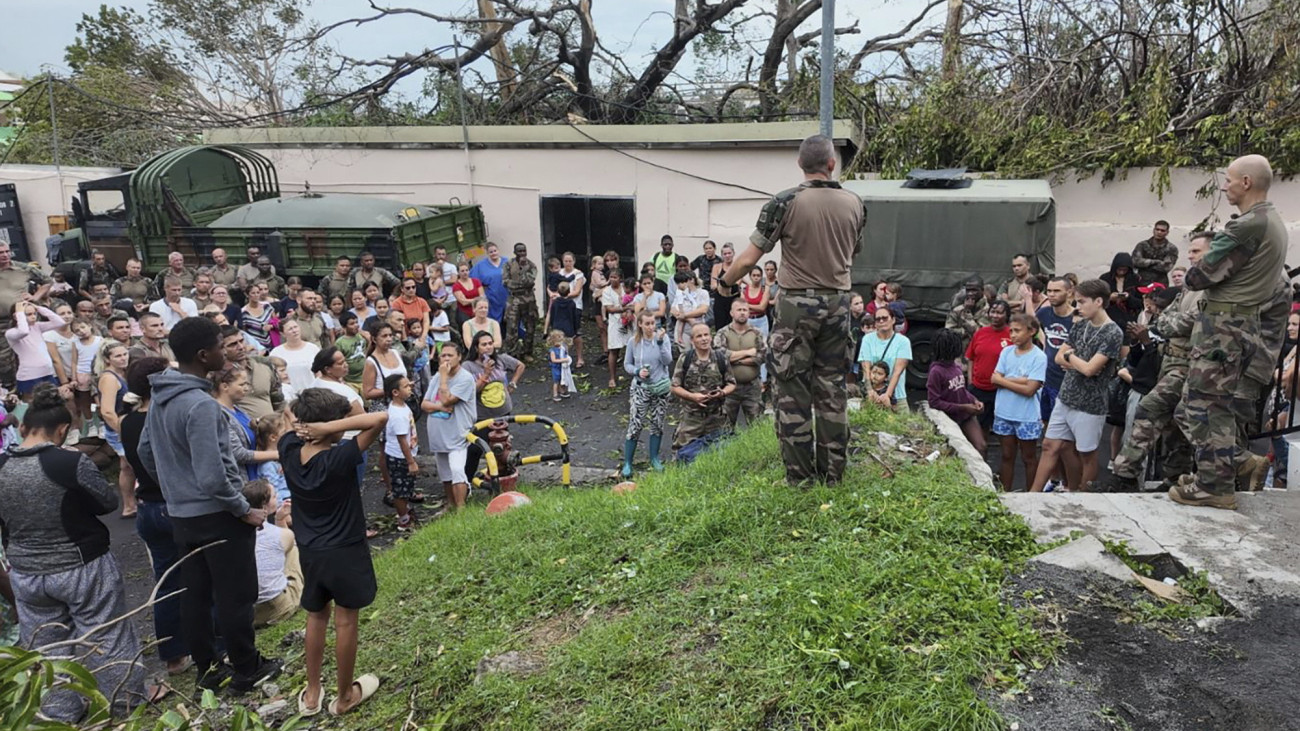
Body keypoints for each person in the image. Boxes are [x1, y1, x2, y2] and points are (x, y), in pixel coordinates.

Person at [138, 317, 282, 694]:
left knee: (196, 595)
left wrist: (174, 487)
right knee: (236, 595)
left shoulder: (160, 398)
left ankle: (209, 669)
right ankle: (247, 668)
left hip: (182, 516)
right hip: (217, 516)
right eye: (221, 345)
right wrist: (242, 509)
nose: (227, 350)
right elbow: (214, 475)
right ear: (204, 356)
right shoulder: (201, 405)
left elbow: (145, 452)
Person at [721, 135, 863, 485]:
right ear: (832, 164)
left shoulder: (784, 201)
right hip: (839, 302)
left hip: (796, 305)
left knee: (792, 390)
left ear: (800, 164)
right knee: (832, 389)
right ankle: (833, 474)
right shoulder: (855, 202)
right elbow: (853, 253)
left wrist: (725, 282)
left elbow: (750, 259)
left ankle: (800, 478)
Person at [0, 384, 147, 722]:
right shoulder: (69, 462)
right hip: (80, 563)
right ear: (64, 430)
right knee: (107, 633)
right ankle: (125, 705)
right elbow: (107, 502)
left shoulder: (1, 465)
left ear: (22, 427)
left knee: (45, 645)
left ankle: (59, 715)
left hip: (26, 570)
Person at [1171, 155, 1289, 510]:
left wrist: (1199, 266)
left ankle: (1215, 486)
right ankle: (1220, 474)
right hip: (1238, 324)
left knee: (1207, 406)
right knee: (1205, 404)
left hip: (1223, 326)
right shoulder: (1273, 221)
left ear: (1247, 183)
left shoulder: (1247, 226)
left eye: (1230, 180)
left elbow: (1199, 276)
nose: (1225, 186)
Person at [280, 389, 385, 716]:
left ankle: (312, 695)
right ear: (328, 425)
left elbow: (286, 410)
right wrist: (328, 427)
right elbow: (379, 418)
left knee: (316, 614)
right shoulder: (339, 457)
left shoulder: (288, 448)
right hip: (345, 549)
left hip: (310, 549)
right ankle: (343, 698)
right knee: (345, 620)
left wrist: (313, 425)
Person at [120, 356, 191, 675]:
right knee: (202, 573)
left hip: (147, 505)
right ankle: (215, 644)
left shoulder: (128, 421)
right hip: (174, 503)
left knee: (166, 582)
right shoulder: (166, 417)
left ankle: (174, 656)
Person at [1028, 280, 1123, 492]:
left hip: (1090, 404)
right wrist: (1075, 360)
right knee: (1049, 446)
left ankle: (1083, 495)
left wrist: (1072, 358)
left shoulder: (1112, 332)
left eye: (1081, 301)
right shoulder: (1080, 325)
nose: (1077, 306)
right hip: (1066, 396)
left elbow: (1090, 369)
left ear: (1098, 301)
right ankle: (1033, 495)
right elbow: (1059, 358)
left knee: (1086, 454)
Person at [990, 313, 1046, 491]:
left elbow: (1030, 390)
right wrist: (1021, 380)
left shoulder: (1038, 357)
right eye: (1011, 331)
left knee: (1029, 457)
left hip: (1026, 415)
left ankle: (1031, 494)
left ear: (1032, 331)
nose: (1012, 335)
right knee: (1007, 455)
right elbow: (994, 377)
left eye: (1017, 331)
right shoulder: (1006, 352)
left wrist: (1004, 381)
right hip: (1004, 412)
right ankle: (1005, 492)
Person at [670, 323, 737, 460]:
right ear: (692, 340)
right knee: (681, 454)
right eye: (699, 336)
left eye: (706, 335)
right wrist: (692, 397)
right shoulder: (685, 359)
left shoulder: (720, 358)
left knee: (722, 453)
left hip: (716, 418)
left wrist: (722, 393)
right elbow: (674, 386)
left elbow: (731, 383)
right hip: (691, 418)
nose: (704, 339)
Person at [242, 479, 302, 628]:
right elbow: (286, 543)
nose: (278, 498)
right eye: (275, 497)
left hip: (249, 611)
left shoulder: (235, 535)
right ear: (264, 506)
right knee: (293, 549)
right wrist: (280, 519)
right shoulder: (279, 534)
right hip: (278, 607)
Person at [622, 311, 674, 476]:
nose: (651, 326)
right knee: (636, 424)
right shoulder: (633, 342)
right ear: (640, 324)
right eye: (648, 323)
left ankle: (654, 458)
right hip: (641, 388)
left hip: (659, 388)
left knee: (657, 424)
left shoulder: (663, 339)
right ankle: (628, 463)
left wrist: (659, 343)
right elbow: (627, 364)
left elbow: (668, 361)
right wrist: (637, 371)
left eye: (653, 323)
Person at [212, 363, 278, 482]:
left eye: (247, 384)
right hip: (240, 480)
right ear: (225, 386)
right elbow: (238, 453)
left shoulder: (238, 410)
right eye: (242, 384)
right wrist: (278, 454)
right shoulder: (219, 414)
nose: (246, 389)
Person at [927, 328, 986, 453]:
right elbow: (934, 402)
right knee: (955, 452)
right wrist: (963, 407)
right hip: (949, 417)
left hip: (966, 414)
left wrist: (975, 400)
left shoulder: (955, 366)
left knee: (981, 446)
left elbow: (961, 390)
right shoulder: (936, 371)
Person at [97, 341, 138, 518]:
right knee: (134, 464)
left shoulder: (123, 374)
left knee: (127, 467)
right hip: (118, 430)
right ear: (108, 359)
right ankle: (132, 504)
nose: (123, 358)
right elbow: (106, 410)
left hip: (127, 426)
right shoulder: (109, 379)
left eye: (124, 354)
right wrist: (121, 432)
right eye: (118, 356)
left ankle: (130, 506)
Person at [714, 299, 765, 427]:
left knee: (757, 427)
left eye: (745, 310)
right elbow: (720, 356)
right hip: (729, 388)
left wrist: (735, 359)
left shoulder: (756, 333)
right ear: (732, 313)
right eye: (739, 310)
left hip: (752, 388)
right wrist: (748, 352)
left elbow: (762, 356)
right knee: (725, 428)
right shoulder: (723, 333)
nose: (742, 313)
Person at [964, 301, 1012, 435]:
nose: (995, 316)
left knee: (1003, 432)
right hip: (978, 390)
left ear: (1007, 315)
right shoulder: (981, 333)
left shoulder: (1012, 335)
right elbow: (971, 358)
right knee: (978, 430)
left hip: (1001, 391)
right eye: (993, 312)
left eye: (1000, 313)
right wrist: (970, 381)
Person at [222, 325, 285, 421]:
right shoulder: (219, 376)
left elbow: (279, 401)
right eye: (233, 344)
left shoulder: (264, 365)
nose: (241, 347)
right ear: (222, 349)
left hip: (272, 428)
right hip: (242, 431)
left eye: (242, 341)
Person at [856, 302, 911, 411]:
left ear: (893, 320)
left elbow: (897, 371)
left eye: (885, 318)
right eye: (878, 319)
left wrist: (887, 395)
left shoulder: (903, 341)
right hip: (871, 397)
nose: (881, 321)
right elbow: (866, 367)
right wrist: (870, 390)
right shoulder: (867, 339)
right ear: (875, 323)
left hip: (896, 397)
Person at [501, 243, 539, 359]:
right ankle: (511, 354)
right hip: (513, 300)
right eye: (520, 251)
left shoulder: (531, 265)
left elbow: (529, 282)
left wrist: (522, 270)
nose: (522, 253)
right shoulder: (508, 264)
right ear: (515, 252)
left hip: (528, 300)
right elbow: (505, 282)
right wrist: (519, 284)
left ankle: (527, 352)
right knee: (511, 327)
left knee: (530, 327)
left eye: (524, 251)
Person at [271, 319, 322, 394]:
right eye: (290, 329)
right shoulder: (276, 353)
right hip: (289, 395)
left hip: (312, 394)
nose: (294, 331)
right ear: (283, 334)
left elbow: (320, 373)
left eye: (295, 327)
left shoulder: (313, 348)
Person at [601, 269, 631, 389]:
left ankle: (635, 375)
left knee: (632, 347)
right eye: (611, 277)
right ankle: (612, 377)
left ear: (621, 278)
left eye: (615, 277)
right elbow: (609, 308)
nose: (613, 279)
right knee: (614, 350)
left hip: (629, 322)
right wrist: (625, 308)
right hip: (615, 322)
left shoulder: (626, 288)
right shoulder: (607, 291)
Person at [556, 252, 587, 368]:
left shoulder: (578, 274)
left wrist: (563, 296)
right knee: (561, 332)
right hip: (561, 306)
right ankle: (563, 357)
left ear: (574, 261)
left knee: (576, 333)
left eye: (570, 261)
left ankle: (580, 358)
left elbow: (577, 291)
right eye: (566, 261)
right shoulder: (559, 273)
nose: (568, 263)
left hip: (574, 306)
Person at [1099, 252, 1143, 329]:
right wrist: (1109, 298)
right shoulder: (1105, 279)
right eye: (1119, 269)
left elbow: (1141, 302)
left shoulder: (1135, 279)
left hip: (1130, 319)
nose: (1122, 272)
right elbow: (1097, 299)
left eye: (1124, 270)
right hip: (1109, 318)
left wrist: (1128, 298)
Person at [470, 243, 509, 324]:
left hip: (507, 295)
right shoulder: (481, 265)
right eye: (491, 252)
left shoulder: (507, 262)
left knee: (511, 320)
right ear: (487, 253)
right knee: (495, 321)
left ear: (498, 251)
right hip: (492, 298)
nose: (493, 253)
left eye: (495, 251)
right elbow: (473, 280)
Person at [1132, 220, 1178, 285]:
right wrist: (1156, 262)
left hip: (1160, 283)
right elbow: (1135, 261)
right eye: (1157, 229)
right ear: (1153, 230)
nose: (1159, 232)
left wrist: (1145, 264)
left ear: (1167, 232)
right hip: (1141, 282)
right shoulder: (1142, 245)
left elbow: (1166, 267)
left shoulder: (1171, 248)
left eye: (1162, 230)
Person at [241, 281, 277, 352]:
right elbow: (244, 332)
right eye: (253, 293)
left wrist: (271, 326)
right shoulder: (244, 312)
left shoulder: (267, 306)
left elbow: (276, 321)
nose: (256, 295)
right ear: (247, 295)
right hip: (255, 346)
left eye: (258, 292)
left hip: (271, 342)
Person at [710, 243, 739, 330]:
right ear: (722, 255)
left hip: (733, 300)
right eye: (725, 254)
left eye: (729, 253)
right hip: (720, 301)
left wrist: (723, 284)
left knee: (734, 327)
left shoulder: (737, 266)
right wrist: (721, 285)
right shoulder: (717, 267)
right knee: (720, 327)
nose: (727, 256)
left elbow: (738, 282)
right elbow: (713, 285)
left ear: (733, 253)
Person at [452, 262, 485, 326]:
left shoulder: (476, 281)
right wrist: (477, 299)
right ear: (458, 273)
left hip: (479, 311)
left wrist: (471, 300)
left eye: (467, 270)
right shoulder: (456, 286)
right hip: (464, 314)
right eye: (462, 271)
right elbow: (463, 302)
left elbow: (483, 297)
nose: (465, 272)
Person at [548, 330, 573, 401]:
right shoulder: (552, 351)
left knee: (563, 378)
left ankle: (562, 390)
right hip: (556, 367)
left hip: (562, 367)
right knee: (556, 381)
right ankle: (555, 394)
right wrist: (563, 360)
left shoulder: (562, 348)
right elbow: (553, 360)